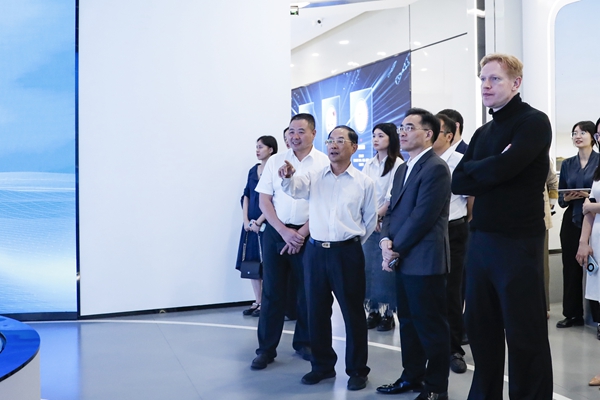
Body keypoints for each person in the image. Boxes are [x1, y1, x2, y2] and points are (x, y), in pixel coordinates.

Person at [452, 53, 553, 399]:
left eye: (494, 78)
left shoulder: (533, 122)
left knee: (525, 334)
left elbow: (501, 169)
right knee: (481, 330)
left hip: (518, 242)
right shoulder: (483, 132)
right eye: (483, 79)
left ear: (516, 83)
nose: (486, 85)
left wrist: (490, 168)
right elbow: (459, 180)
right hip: (481, 240)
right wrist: (496, 165)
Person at [279, 125, 377, 391]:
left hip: (347, 253)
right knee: (316, 311)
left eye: (340, 140)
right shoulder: (315, 176)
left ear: (354, 147)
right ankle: (321, 366)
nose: (333, 145)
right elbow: (296, 189)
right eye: (330, 140)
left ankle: (357, 370)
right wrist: (287, 176)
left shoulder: (364, 183)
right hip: (315, 252)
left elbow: (369, 220)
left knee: (353, 313)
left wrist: (350, 243)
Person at [376, 108, 451, 400]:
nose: (402, 132)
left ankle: (436, 388)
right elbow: (392, 210)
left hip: (425, 261)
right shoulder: (403, 168)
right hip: (403, 258)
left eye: (409, 127)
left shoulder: (436, 168)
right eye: (401, 127)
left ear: (428, 134)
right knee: (407, 323)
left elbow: (423, 217)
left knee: (431, 326)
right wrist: (385, 241)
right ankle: (412, 377)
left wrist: (394, 248)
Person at [251, 113, 329, 370]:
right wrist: (284, 231)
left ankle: (304, 342)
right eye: (291, 132)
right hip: (277, 230)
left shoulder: (324, 162)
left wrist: (301, 234)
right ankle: (265, 349)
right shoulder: (275, 161)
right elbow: (264, 199)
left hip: (310, 233)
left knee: (308, 292)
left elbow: (324, 204)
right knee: (272, 292)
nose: (295, 136)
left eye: (301, 131)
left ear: (313, 133)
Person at [432, 113, 470, 374]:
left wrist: (466, 223)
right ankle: (431, 347)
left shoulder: (459, 161)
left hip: (454, 230)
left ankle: (454, 348)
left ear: (449, 135)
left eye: (435, 131)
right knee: (428, 291)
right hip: (427, 233)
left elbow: (470, 198)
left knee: (452, 293)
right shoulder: (420, 162)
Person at [361, 122, 404, 331]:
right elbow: (363, 192)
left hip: (387, 225)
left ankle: (388, 314)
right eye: (374, 136)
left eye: (381, 136)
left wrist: (378, 217)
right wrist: (370, 218)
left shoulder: (398, 164)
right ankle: (373, 311)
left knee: (385, 270)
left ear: (391, 138)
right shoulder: (369, 164)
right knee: (368, 268)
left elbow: (392, 197)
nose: (375, 139)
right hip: (369, 224)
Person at [557, 120, 599, 328]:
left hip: (595, 218)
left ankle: (596, 318)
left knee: (596, 268)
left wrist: (587, 195)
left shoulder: (599, 161)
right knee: (570, 267)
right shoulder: (567, 164)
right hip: (572, 217)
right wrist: (568, 197)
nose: (578, 136)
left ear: (593, 136)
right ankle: (573, 314)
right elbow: (560, 199)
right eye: (574, 133)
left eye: (582, 132)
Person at [236, 136, 278, 317]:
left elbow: (274, 199)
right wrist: (246, 220)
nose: (257, 150)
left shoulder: (275, 170)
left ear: (271, 149)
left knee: (268, 263)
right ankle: (258, 300)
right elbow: (246, 195)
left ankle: (267, 303)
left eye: (261, 147)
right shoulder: (253, 170)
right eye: (256, 147)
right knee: (252, 262)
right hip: (250, 224)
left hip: (268, 222)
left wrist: (259, 221)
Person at [543, 162, 558, 319]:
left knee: (542, 266)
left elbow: (553, 183)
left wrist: (551, 207)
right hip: (512, 222)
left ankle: (543, 305)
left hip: (540, 220)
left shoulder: (541, 155)